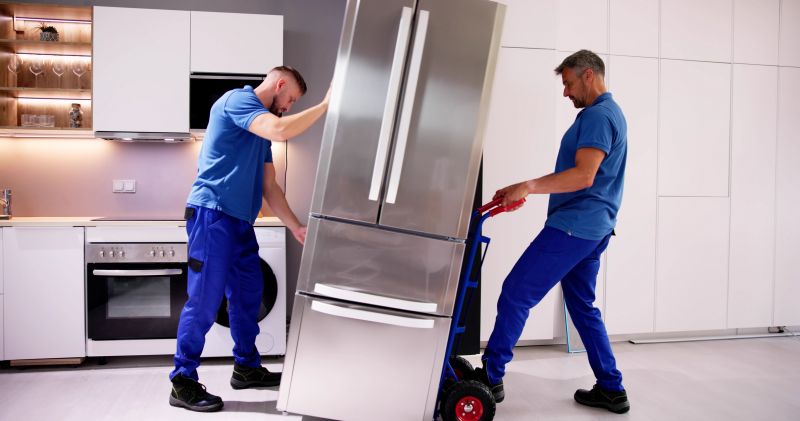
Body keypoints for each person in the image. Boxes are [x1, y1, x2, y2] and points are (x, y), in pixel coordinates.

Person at [474, 50, 630, 414]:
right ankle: (611, 388)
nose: (566, 92)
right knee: (582, 307)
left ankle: (491, 377)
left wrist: (528, 186)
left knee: (516, 292)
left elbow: (584, 176)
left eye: (569, 83)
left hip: (575, 226)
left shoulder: (598, 116)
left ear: (589, 75)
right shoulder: (609, 113)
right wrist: (524, 189)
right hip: (594, 228)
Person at [168, 66, 330, 412]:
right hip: (212, 215)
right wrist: (325, 106)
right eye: (290, 99)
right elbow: (281, 129)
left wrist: (296, 227)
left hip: (240, 222)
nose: (288, 107)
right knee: (204, 300)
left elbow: (269, 186)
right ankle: (182, 381)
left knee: (248, 295)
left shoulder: (260, 131)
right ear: (279, 84)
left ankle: (246, 367)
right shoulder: (238, 101)